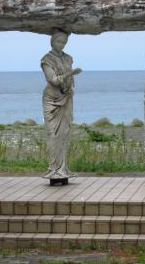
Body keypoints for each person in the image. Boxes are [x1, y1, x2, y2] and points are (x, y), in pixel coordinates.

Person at [41, 30, 82, 183]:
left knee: (64, 133)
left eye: (64, 42)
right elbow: (53, 80)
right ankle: (54, 169)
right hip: (52, 99)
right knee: (53, 134)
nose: (61, 44)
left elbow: (68, 81)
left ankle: (63, 169)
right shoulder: (46, 60)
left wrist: (70, 84)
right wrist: (70, 73)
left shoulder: (68, 58)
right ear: (52, 42)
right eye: (59, 41)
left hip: (66, 96)